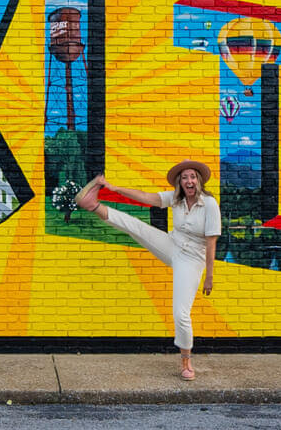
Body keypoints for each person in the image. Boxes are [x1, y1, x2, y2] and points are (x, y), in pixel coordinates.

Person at [74, 161, 220, 380]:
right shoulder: (176, 198)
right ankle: (93, 205)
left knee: (180, 313)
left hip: (191, 259)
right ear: (180, 182)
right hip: (172, 244)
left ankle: (186, 361)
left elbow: (211, 242)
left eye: (192, 177)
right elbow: (145, 197)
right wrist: (114, 188)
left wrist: (209, 276)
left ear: (199, 180)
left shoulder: (209, 204)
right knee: (137, 227)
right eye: (184, 178)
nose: (189, 181)